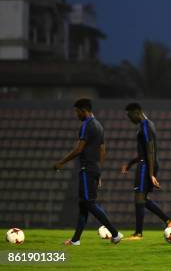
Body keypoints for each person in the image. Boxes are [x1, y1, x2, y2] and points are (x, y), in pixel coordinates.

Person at [53, 98, 122, 245]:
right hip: (94, 168)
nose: (76, 115)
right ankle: (76, 240)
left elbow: (79, 149)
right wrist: (99, 170)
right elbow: (103, 149)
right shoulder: (99, 125)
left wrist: (61, 162)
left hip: (86, 169)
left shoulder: (86, 125)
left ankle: (115, 233)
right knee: (83, 205)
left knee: (88, 203)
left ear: (83, 111)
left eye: (77, 112)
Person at [121, 102, 171, 240]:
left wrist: (151, 173)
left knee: (139, 198)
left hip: (146, 165)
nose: (129, 119)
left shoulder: (146, 126)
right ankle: (168, 220)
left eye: (130, 115)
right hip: (146, 163)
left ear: (137, 113)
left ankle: (138, 233)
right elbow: (145, 151)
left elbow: (150, 150)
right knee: (143, 199)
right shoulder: (147, 125)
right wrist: (130, 164)